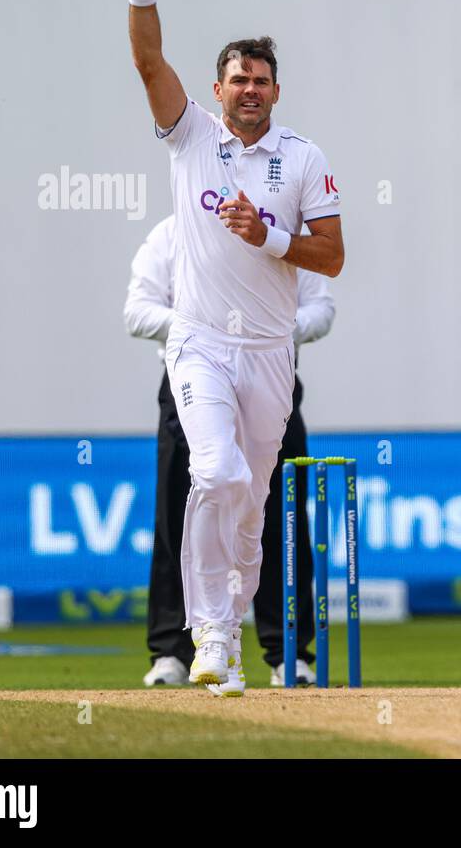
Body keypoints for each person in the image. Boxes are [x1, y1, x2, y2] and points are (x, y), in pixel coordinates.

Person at [127, 0, 344, 695]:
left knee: (251, 508)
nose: (249, 90)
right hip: (200, 344)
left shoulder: (303, 158)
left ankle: (239, 633)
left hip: (267, 353)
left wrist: (270, 237)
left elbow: (334, 257)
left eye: (260, 80)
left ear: (275, 91)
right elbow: (149, 60)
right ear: (216, 91)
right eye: (236, 79)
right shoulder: (190, 139)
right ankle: (207, 633)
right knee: (213, 477)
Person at [124, 215, 336, 690]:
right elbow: (137, 311)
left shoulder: (280, 235)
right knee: (181, 511)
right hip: (192, 380)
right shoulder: (174, 233)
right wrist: (207, 328)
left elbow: (320, 309)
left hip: (272, 375)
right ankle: (172, 652)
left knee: (282, 516)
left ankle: (287, 654)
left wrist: (266, 329)